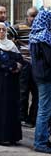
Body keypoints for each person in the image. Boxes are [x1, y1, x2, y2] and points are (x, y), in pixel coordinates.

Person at [0, 22, 23, 145]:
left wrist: (17, 66)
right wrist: (12, 66)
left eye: (3, 30)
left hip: (11, 83)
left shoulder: (11, 44)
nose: (1, 32)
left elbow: (20, 59)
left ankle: (11, 136)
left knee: (10, 108)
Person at [9, 7, 39, 128]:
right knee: (23, 91)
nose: (34, 18)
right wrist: (16, 47)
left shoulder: (41, 27)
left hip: (37, 65)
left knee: (36, 93)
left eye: (36, 15)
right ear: (27, 17)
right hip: (25, 63)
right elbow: (5, 34)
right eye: (32, 16)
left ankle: (32, 119)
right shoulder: (19, 27)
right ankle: (22, 117)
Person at [29, 11, 51, 154]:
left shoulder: (34, 36)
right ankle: (40, 142)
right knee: (44, 110)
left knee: (44, 109)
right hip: (46, 77)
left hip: (40, 76)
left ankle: (42, 140)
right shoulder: (44, 37)